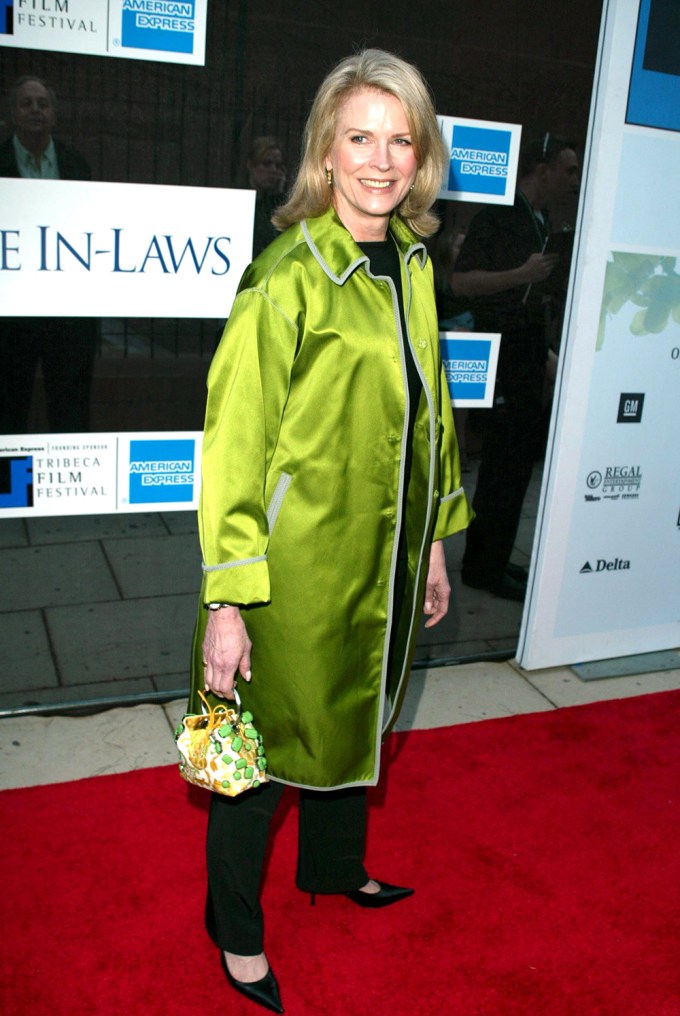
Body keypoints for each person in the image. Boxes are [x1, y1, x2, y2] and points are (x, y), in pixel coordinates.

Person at [189, 49, 472, 1013]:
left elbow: (430, 415)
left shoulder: (418, 261)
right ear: (324, 151)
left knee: (359, 717)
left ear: (422, 154)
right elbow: (232, 448)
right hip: (294, 572)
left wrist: (432, 536)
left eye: (401, 140)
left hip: (387, 553)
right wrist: (229, 597)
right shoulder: (287, 278)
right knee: (259, 757)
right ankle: (232, 931)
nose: (382, 162)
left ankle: (332, 868)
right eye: (360, 138)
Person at [452, 133, 579, 600]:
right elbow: (462, 282)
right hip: (501, 358)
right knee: (501, 467)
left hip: (527, 356)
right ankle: (482, 568)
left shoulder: (543, 221)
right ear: (541, 170)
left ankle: (497, 559)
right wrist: (520, 276)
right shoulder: (499, 217)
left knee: (518, 465)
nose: (574, 181)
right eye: (568, 170)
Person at [0, 76, 98, 434]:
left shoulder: (76, 165)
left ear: (54, 115)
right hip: (9, 315)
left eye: (43, 103)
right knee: (8, 409)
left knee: (69, 410)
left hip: (67, 314)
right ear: (13, 114)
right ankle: (9, 487)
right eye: (27, 103)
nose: (36, 110)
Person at [245, 136, 287, 257]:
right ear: (251, 165)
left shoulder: (277, 203)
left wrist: (279, 193)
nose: (273, 170)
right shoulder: (242, 200)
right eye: (266, 164)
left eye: (278, 166)